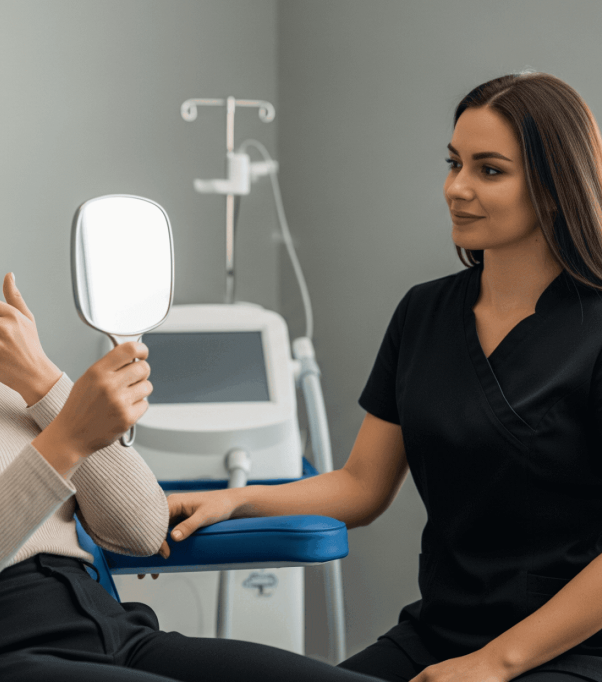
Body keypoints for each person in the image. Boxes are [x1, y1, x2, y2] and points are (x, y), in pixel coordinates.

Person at [0, 129, 378, 682]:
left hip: (115, 633)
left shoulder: (7, 370)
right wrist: (66, 436)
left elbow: (140, 530)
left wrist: (41, 380)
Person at [165, 72, 602, 682]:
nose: (456, 188)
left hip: (570, 650)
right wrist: (235, 500)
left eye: (490, 170)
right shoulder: (425, 313)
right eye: (453, 163)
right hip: (442, 633)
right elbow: (362, 485)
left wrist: (496, 664)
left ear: (555, 188)